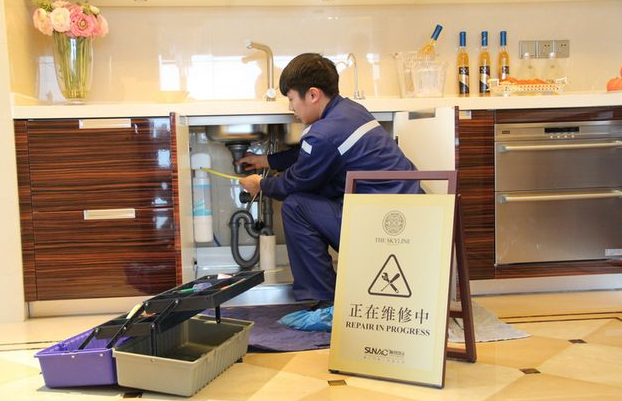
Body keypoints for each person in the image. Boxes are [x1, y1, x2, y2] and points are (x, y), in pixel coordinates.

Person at [239, 53, 420, 331]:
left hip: (383, 231)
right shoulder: (350, 110)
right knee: (317, 195)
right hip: (411, 221)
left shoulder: (323, 133)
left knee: (296, 205)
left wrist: (260, 185)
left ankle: (327, 305)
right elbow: (312, 153)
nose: (291, 108)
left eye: (291, 99)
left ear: (312, 95)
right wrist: (267, 161)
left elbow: (294, 183)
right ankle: (329, 299)